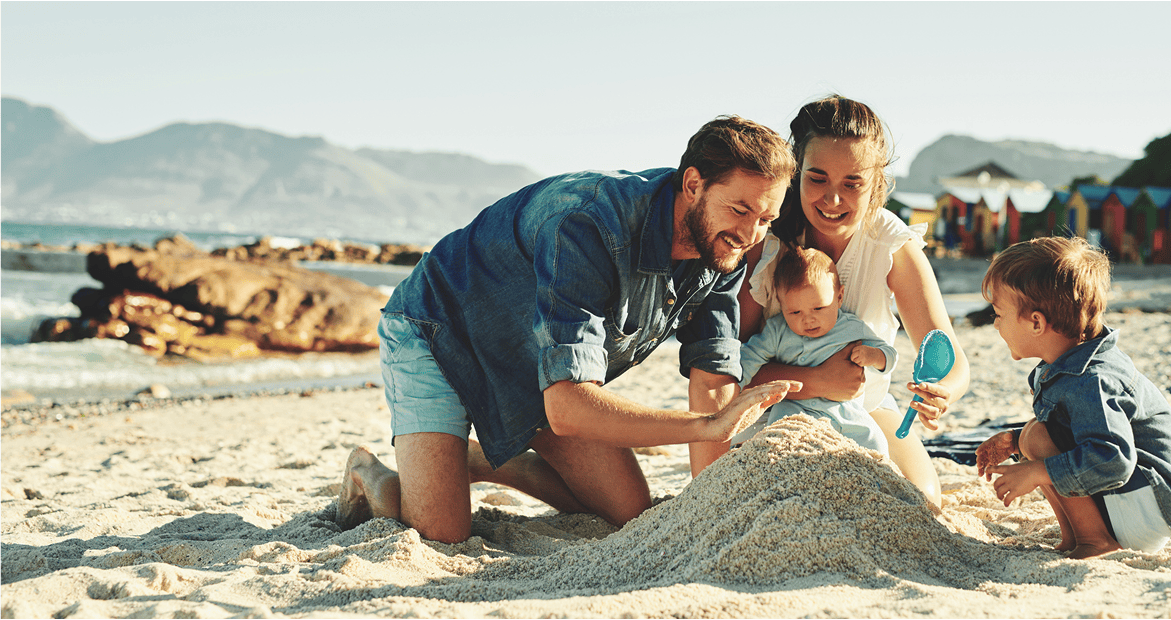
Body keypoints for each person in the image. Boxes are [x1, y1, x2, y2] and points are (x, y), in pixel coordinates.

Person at [337, 115, 802, 543]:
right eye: (741, 210)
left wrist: (710, 510)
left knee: (630, 512)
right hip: (440, 332)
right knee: (442, 534)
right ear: (694, 184)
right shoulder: (589, 223)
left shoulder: (723, 248)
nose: (751, 233)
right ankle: (373, 474)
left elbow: (713, 377)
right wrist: (702, 427)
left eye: (766, 218)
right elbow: (569, 408)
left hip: (537, 363)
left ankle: (481, 458)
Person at [695, 95, 971, 509]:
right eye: (817, 179)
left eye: (852, 183)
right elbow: (732, 369)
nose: (833, 199)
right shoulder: (768, 244)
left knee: (922, 502)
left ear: (876, 182)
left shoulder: (890, 245)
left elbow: (949, 357)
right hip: (776, 410)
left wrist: (942, 391)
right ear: (797, 173)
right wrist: (819, 381)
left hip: (864, 408)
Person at [974, 237, 1171, 559]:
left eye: (998, 314)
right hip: (1136, 502)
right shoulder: (1071, 365)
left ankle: (1095, 540)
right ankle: (1076, 536)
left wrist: (1037, 471)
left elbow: (1112, 458)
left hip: (1148, 507)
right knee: (1033, 436)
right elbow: (1072, 433)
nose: (995, 324)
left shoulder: (1093, 379)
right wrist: (1015, 441)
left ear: (1036, 322)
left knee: (1038, 438)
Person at [735, 245, 896, 453]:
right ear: (781, 304)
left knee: (875, 443)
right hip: (793, 410)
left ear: (839, 297)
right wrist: (733, 386)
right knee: (779, 442)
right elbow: (750, 355)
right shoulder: (778, 330)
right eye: (794, 312)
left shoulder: (852, 327)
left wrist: (874, 355)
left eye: (818, 308)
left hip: (845, 412)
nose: (808, 319)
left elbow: (889, 355)